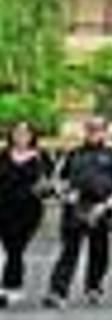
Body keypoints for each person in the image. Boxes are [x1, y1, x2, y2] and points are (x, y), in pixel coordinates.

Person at [44, 116, 112, 309]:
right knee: (68, 251)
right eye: (90, 128)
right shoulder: (73, 152)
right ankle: (57, 292)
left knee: (100, 252)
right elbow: (57, 178)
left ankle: (94, 287)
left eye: (98, 129)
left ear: (105, 132)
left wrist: (106, 206)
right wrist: (66, 196)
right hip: (74, 209)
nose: (93, 132)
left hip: (101, 209)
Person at [0, 121, 52, 307]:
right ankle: (13, 287)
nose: (21, 136)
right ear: (11, 135)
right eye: (17, 132)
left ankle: (8, 288)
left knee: (16, 247)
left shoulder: (40, 156)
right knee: (10, 247)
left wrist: (44, 189)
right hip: (4, 208)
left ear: (32, 136)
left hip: (29, 210)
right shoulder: (3, 155)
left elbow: (49, 182)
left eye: (25, 132)